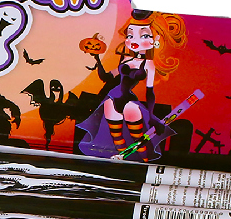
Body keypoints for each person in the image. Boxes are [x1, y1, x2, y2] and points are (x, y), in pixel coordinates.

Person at [76, 11, 186, 161]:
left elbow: (150, 93)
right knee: (116, 139)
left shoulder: (148, 64)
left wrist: (151, 116)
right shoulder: (126, 59)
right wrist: (97, 59)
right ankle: (120, 161)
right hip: (112, 99)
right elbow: (107, 77)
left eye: (144, 35)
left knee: (138, 139)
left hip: (129, 103)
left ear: (156, 39)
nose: (134, 40)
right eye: (130, 35)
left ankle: (143, 162)